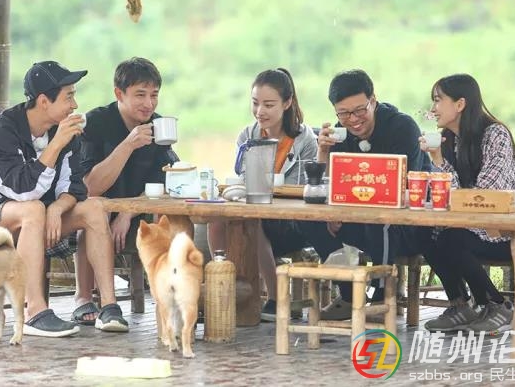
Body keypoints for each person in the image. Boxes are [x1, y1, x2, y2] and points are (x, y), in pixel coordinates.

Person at [0, 60, 128, 337]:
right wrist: (55, 145)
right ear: (44, 101)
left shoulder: (63, 132)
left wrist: (57, 208)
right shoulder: (0, 132)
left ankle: (108, 307)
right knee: (32, 209)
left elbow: (75, 188)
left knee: (95, 207)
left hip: (37, 222)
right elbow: (22, 190)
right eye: (68, 97)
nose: (74, 105)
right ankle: (33, 312)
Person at [297, 69, 431, 320]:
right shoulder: (341, 134)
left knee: (379, 220)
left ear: (373, 100)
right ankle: (350, 295)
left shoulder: (402, 127)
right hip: (360, 221)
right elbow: (328, 186)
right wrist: (323, 152)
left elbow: (403, 188)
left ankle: (382, 297)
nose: (353, 120)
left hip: (409, 226)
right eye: (344, 113)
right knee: (312, 220)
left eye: (360, 110)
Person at [420, 74, 515, 333]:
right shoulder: (448, 140)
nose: (433, 108)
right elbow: (446, 196)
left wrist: (440, 165)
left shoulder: (495, 135)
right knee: (423, 233)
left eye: (437, 100)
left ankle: (497, 304)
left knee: (451, 238)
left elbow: (483, 197)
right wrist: (437, 159)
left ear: (460, 104)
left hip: (507, 232)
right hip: (472, 228)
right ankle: (460, 305)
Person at [78, 57, 187, 323]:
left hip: (137, 212)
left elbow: (166, 180)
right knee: (95, 213)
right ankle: (84, 298)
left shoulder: (158, 126)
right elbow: (90, 186)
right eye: (140, 94)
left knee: (175, 219)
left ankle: (173, 296)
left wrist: (127, 213)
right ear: (119, 94)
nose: (149, 103)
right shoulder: (96, 123)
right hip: (96, 208)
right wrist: (128, 145)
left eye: (154, 95)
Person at [207, 68, 317, 322]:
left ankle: (277, 298)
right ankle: (225, 287)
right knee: (216, 219)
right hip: (257, 212)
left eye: (268, 105)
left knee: (253, 223)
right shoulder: (247, 136)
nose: (259, 111)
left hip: (292, 221)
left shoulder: (305, 140)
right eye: (255, 103)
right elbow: (244, 180)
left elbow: (302, 190)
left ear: (287, 103)